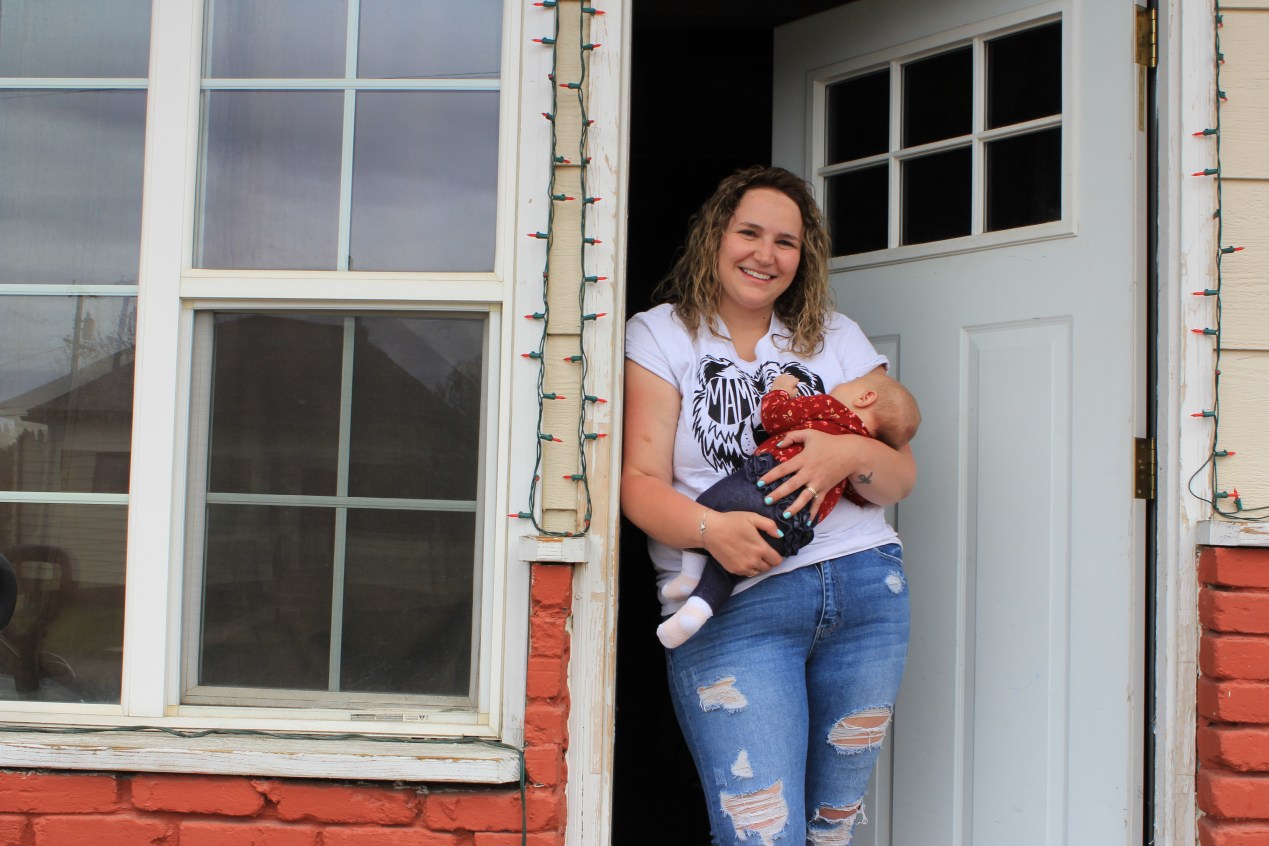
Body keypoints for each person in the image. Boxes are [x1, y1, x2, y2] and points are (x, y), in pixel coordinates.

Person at [622, 165, 916, 845]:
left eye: (786, 241)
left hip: (868, 590)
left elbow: (899, 474)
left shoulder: (833, 335)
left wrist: (847, 456)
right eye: (748, 232)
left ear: (802, 257)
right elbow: (637, 481)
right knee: (761, 836)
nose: (765, 253)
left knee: (830, 830)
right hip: (735, 605)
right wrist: (710, 530)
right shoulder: (663, 333)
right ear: (713, 237)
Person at [657, 369, 920, 649]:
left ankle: (690, 576)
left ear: (865, 397)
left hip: (761, 487)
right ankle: (697, 609)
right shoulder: (862, 450)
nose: (840, 383)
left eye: (850, 383)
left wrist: (779, 390)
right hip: (793, 525)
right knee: (730, 570)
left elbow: (775, 418)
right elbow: (861, 496)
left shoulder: (830, 406)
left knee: (709, 505)